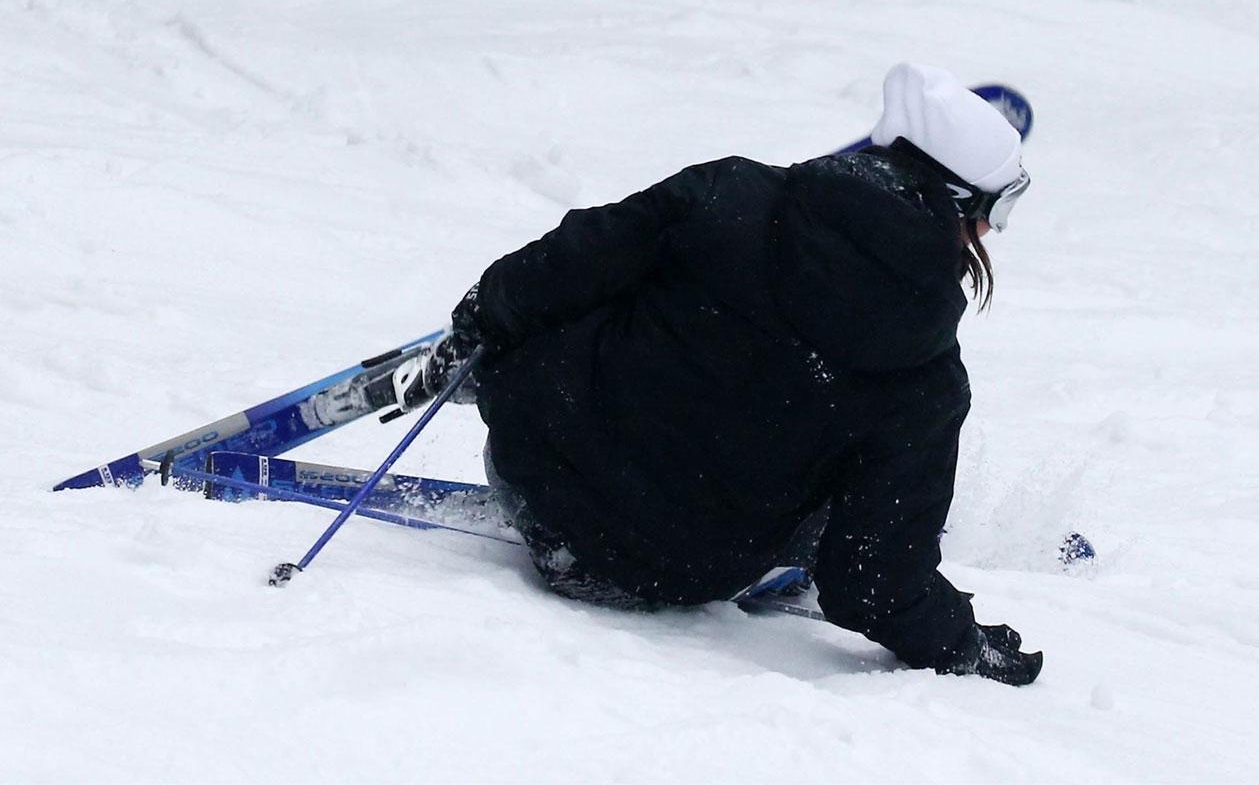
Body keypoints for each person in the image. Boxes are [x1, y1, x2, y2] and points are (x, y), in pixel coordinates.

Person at [391, 62, 1042, 686]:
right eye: (996, 211)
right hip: (673, 572)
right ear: (957, 203)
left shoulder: (727, 193)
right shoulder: (926, 373)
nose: (992, 229)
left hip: (536, 472)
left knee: (609, 284)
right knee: (848, 461)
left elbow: (554, 269)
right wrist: (961, 642)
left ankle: (553, 400)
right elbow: (874, 580)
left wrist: (479, 328)